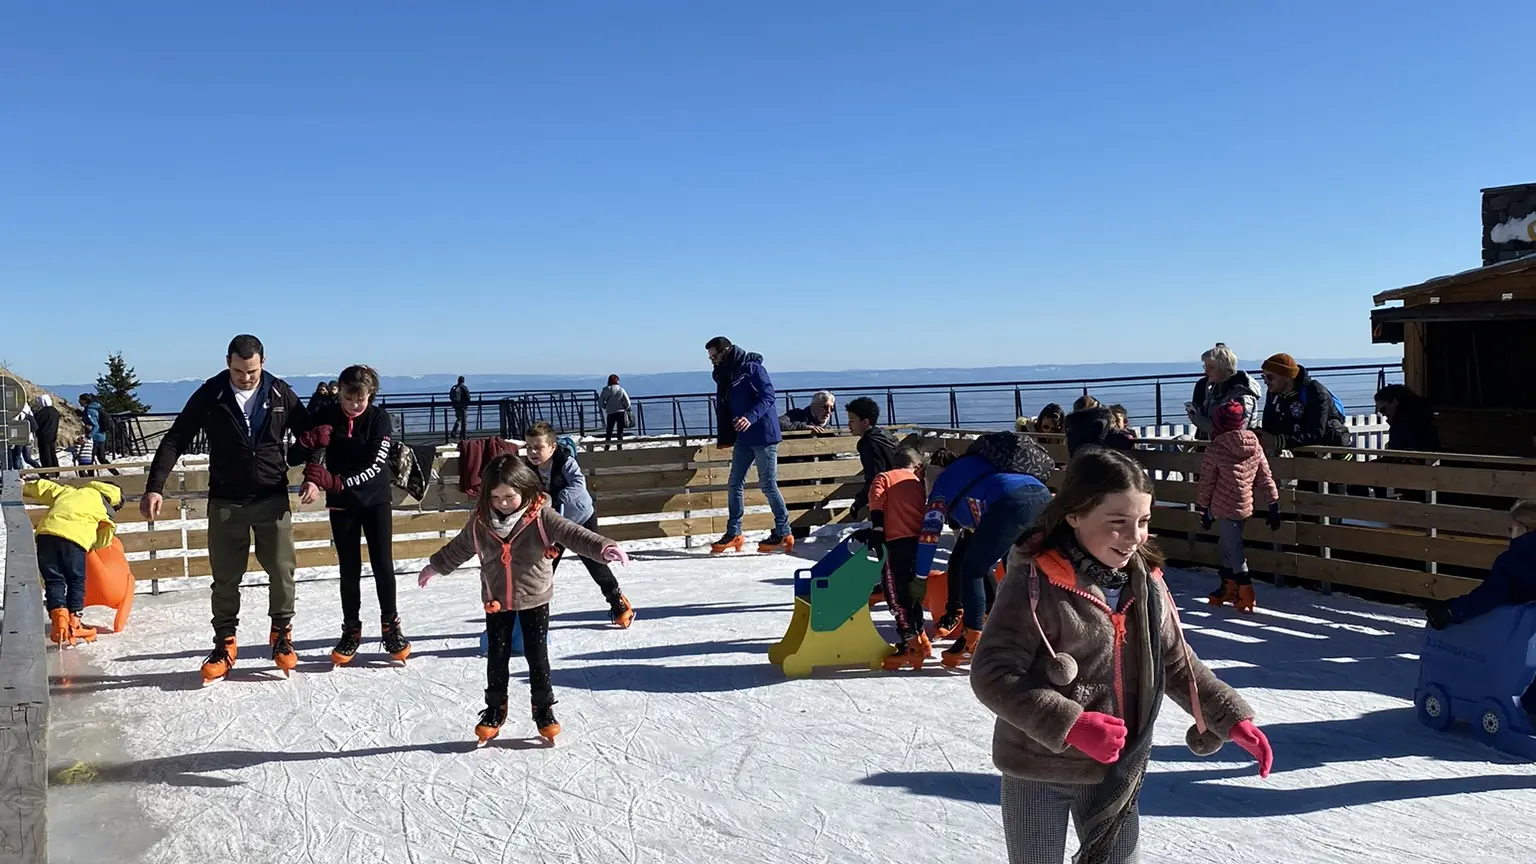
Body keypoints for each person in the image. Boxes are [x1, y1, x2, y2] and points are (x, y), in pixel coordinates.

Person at [970, 448, 1271, 864]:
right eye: (1117, 524)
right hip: (1038, 768)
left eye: (1143, 522)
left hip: (1115, 769)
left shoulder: (1144, 584)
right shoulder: (1034, 580)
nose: (1134, 537)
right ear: (1073, 515)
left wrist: (1229, 716)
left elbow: (1175, 661)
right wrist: (1070, 723)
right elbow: (993, 672)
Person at [417, 454, 629, 745]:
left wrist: (604, 548)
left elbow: (574, 534)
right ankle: (494, 710)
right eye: (496, 497)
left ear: (525, 491)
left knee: (537, 656)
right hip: (496, 598)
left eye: (509, 496)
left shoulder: (541, 516)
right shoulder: (480, 521)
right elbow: (460, 547)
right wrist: (434, 566)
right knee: (497, 656)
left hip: (534, 597)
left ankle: (543, 710)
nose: (503, 503)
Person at [143, 334, 312, 683]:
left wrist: (308, 469)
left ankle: (281, 635)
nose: (245, 377)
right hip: (226, 501)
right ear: (227, 362)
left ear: (262, 363)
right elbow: (176, 437)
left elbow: (312, 436)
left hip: (271, 498)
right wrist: (154, 487)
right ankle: (224, 643)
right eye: (238, 370)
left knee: (282, 570)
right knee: (225, 578)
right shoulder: (212, 393)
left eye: (251, 371)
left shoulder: (280, 393)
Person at [293, 365, 410, 666]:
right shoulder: (328, 413)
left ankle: (390, 625)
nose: (354, 404)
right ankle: (351, 629)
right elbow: (298, 456)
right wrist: (307, 446)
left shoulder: (378, 419)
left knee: (382, 563)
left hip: (375, 500)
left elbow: (375, 466)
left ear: (371, 395)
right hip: (342, 504)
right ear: (340, 392)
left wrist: (336, 481)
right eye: (348, 397)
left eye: (361, 398)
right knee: (349, 568)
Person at [917, 431, 1055, 667]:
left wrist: (919, 575)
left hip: (1010, 503)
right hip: (1043, 495)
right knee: (1027, 567)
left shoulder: (942, 483)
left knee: (971, 569)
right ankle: (1044, 629)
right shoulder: (983, 463)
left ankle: (973, 637)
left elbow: (930, 532)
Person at [522, 422, 635, 628]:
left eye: (538, 447)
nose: (533, 452)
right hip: (554, 524)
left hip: (580, 518)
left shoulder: (565, 461)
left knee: (595, 563)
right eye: (529, 447)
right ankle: (531, 613)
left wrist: (556, 498)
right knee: (543, 567)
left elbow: (577, 483)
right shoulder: (528, 468)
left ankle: (618, 602)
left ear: (552, 447)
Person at [706, 336, 792, 554]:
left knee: (767, 484)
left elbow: (768, 395)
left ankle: (783, 531)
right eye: (710, 358)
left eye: (715, 356)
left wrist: (750, 417)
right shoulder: (725, 374)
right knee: (734, 483)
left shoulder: (751, 368)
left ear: (726, 351)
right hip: (743, 437)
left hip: (763, 434)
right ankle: (734, 532)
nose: (712, 361)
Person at [1197, 401, 1281, 612]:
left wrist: (1203, 508)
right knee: (1226, 546)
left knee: (1234, 550)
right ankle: (1229, 586)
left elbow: (1207, 481)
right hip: (1244, 506)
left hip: (1223, 508)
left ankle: (1246, 591)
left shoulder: (1215, 448)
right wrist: (1273, 504)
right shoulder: (1255, 445)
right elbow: (1265, 477)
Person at [22, 476, 124, 646]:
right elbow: (106, 535)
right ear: (113, 500)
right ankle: (74, 621)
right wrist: (94, 545)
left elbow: (46, 487)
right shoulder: (103, 507)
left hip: (46, 535)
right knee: (76, 580)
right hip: (74, 540)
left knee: (54, 580)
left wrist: (25, 487)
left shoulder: (71, 491)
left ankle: (60, 621)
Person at [858, 447, 931, 670]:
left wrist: (877, 533)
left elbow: (877, 507)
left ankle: (910, 646)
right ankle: (922, 639)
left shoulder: (884, 478)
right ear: (917, 467)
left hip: (895, 543)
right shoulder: (918, 484)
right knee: (913, 593)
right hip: (918, 545)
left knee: (895, 595)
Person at [1428, 501, 1536, 631]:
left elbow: (1489, 595)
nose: (1509, 534)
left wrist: (1451, 611)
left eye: (1511, 529)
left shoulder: (1513, 560)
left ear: (1524, 528)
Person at [1258, 353, 1350, 454]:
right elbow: (1269, 427)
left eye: (1270, 377)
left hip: (1329, 452)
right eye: (1263, 377)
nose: (1266, 381)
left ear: (1287, 376)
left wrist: (1278, 441)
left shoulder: (1315, 392)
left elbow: (1317, 434)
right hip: (1298, 448)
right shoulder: (1274, 394)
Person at [1186, 343, 1261, 439]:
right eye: (1205, 367)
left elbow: (1237, 433)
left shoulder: (1242, 395)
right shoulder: (1215, 388)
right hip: (1217, 447)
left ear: (1225, 369)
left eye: (1211, 368)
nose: (1206, 372)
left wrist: (1199, 420)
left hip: (1234, 450)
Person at [845, 396, 897, 517]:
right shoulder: (885, 435)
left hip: (886, 498)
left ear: (865, 422)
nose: (848, 425)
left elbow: (875, 477)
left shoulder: (869, 443)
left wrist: (859, 502)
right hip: (899, 491)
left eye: (852, 420)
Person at [1374, 384, 1440, 453]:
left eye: (1383, 410)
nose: (1383, 414)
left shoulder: (1403, 424)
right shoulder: (1422, 415)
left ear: (1395, 401)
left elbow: (1397, 451)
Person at [1065, 395, 1135, 457]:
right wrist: (1130, 436)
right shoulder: (1101, 425)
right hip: (1101, 466)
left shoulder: (1072, 429)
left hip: (1078, 467)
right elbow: (1124, 441)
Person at [78, 393, 119, 476]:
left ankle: (90, 478)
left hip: (95, 438)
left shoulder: (89, 410)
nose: (79, 401)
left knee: (91, 459)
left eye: (80, 399)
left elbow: (95, 425)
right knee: (101, 458)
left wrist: (88, 437)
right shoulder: (96, 408)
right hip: (101, 436)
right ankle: (116, 474)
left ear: (85, 401)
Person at [599, 375, 631, 448]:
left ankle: (607, 446)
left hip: (610, 412)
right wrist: (625, 407)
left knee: (609, 431)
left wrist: (605, 406)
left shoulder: (605, 390)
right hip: (620, 412)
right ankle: (619, 446)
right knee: (620, 431)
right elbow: (628, 402)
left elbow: (600, 402)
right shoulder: (621, 389)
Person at [8, 402, 41, 470]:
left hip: (20, 438)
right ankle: (42, 473)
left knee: (16, 457)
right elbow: (35, 427)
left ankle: (19, 475)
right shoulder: (29, 413)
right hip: (29, 439)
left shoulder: (16, 414)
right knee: (28, 458)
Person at [32, 394, 60, 469]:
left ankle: (48, 470)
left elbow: (36, 423)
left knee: (45, 454)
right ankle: (56, 470)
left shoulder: (42, 412)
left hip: (43, 436)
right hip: (53, 435)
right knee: (52, 453)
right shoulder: (55, 411)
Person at [449, 376, 471, 441]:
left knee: (458, 419)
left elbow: (450, 397)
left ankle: (454, 431)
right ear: (463, 381)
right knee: (464, 422)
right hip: (463, 407)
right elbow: (468, 397)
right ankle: (463, 436)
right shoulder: (464, 388)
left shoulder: (454, 387)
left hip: (456, 406)